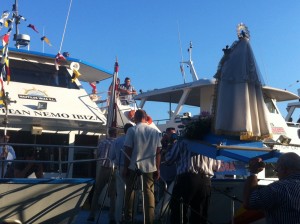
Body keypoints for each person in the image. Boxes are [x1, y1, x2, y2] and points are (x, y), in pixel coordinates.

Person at [165, 139, 221, 224]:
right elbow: (217, 166)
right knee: (200, 215)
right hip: (205, 182)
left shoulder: (183, 141)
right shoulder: (213, 143)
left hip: (187, 179)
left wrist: (168, 145)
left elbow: (169, 159)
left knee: (178, 212)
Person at [123, 109, 162, 223]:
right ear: (146, 118)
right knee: (149, 192)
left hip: (133, 166)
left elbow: (128, 150)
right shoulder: (155, 132)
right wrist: (158, 169)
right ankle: (149, 220)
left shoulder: (132, 130)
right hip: (150, 167)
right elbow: (158, 151)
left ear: (135, 118)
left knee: (130, 191)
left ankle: (128, 218)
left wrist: (125, 167)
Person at [243, 152, 300, 224]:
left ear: (284, 169)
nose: (277, 174)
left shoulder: (279, 188)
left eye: (277, 170)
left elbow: (249, 203)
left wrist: (253, 173)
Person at [87, 128, 117, 223]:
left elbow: (97, 155)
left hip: (104, 169)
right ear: (115, 134)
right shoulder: (118, 143)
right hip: (114, 170)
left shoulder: (102, 142)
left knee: (97, 192)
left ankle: (92, 215)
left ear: (109, 133)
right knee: (113, 195)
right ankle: (112, 217)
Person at [110, 123, 133, 223]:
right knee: (131, 194)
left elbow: (111, 157)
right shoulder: (134, 140)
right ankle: (129, 217)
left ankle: (118, 218)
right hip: (132, 169)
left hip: (120, 168)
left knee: (120, 195)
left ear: (124, 130)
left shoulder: (117, 141)